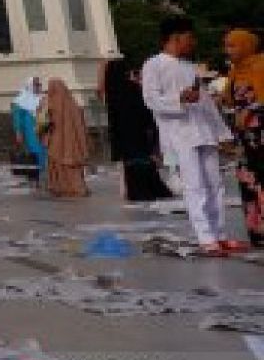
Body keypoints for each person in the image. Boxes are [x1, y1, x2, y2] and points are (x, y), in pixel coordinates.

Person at [142, 16, 246, 256]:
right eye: (190, 38)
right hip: (178, 134)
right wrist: (179, 99)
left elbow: (207, 103)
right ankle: (205, 238)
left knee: (215, 184)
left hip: (204, 131)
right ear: (176, 38)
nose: (193, 42)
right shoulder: (154, 65)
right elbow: (151, 100)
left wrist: (222, 133)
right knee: (195, 185)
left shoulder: (190, 67)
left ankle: (220, 235)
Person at [101, 61, 172, 202]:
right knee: (143, 159)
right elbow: (145, 111)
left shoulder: (112, 92)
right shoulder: (133, 88)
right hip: (139, 130)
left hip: (123, 133)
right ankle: (151, 189)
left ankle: (137, 191)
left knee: (132, 163)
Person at [222, 29, 264, 247]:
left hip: (260, 132)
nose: (228, 50)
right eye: (227, 45)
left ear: (247, 45)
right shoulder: (235, 71)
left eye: (233, 45)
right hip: (244, 136)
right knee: (248, 181)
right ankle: (257, 232)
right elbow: (228, 100)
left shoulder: (261, 66)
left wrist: (251, 110)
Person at [36, 79, 90, 198]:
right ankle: (77, 187)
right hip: (72, 141)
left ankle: (60, 187)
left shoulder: (49, 102)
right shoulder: (72, 103)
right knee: (71, 163)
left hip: (56, 139)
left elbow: (42, 121)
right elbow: (81, 123)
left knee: (57, 163)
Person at [11, 77, 47, 179]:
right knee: (34, 150)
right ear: (30, 86)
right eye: (36, 85)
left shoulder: (41, 98)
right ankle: (35, 173)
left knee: (44, 149)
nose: (38, 87)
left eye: (39, 84)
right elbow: (17, 117)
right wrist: (18, 131)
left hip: (43, 129)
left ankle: (43, 171)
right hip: (30, 130)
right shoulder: (21, 100)